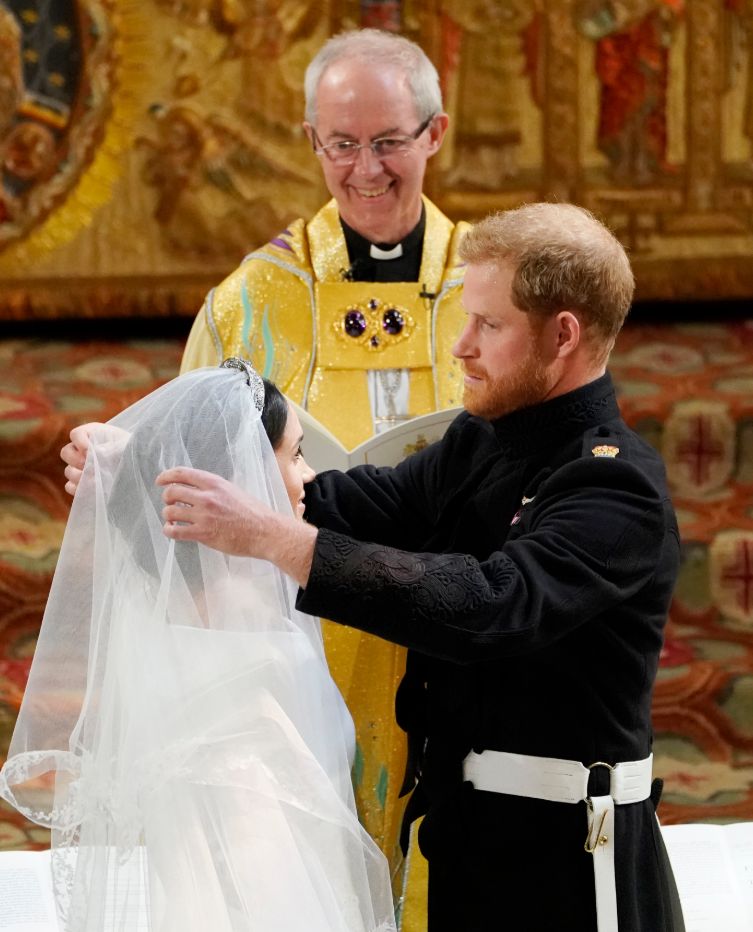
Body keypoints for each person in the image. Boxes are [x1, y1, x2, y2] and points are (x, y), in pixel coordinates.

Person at [153, 203, 686, 932]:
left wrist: (275, 540)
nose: (461, 346)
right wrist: (139, 469)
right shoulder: (485, 438)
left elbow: (489, 605)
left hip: (568, 858)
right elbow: (360, 503)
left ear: (562, 335)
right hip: (471, 842)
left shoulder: (613, 485)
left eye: (488, 326)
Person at [63, 27, 470, 882]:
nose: (365, 169)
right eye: (342, 144)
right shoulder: (253, 299)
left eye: (389, 142)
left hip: (462, 622)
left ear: (435, 133)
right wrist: (113, 465)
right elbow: (180, 469)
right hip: (301, 633)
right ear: (311, 142)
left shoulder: (492, 285)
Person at [3, 359, 397, 932]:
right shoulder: (244, 604)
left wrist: (134, 456)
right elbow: (257, 852)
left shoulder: (185, 585)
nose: (309, 476)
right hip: (259, 880)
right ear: (240, 474)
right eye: (294, 455)